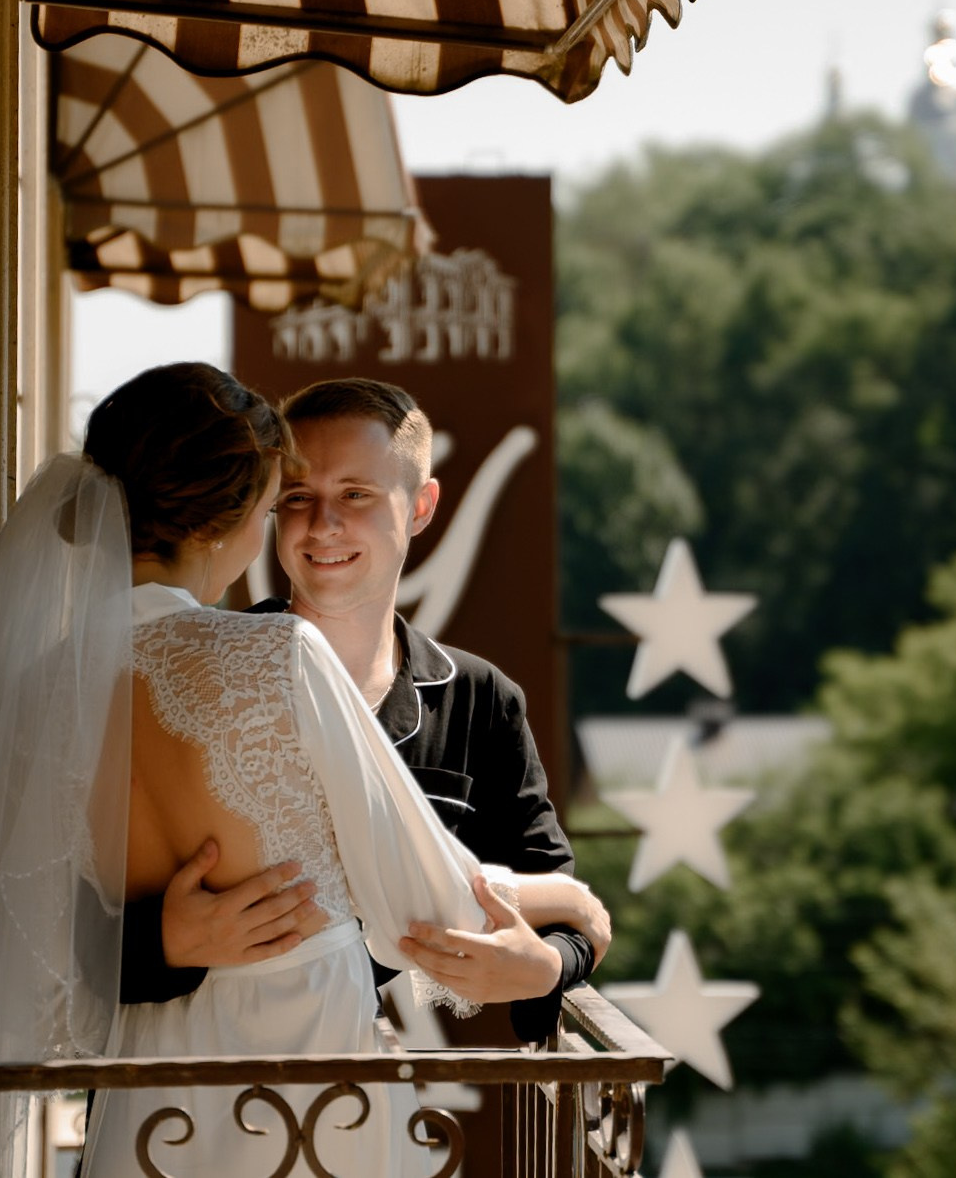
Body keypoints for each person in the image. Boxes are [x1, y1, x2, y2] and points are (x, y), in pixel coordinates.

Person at [0, 364, 595, 1178]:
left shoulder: (44, 682)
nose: (309, 524)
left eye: (353, 496)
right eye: (285, 499)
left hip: (145, 1105)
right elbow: (430, 899)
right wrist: (573, 901)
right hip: (307, 1099)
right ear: (235, 519)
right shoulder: (274, 654)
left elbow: (18, 920)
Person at [116, 377, 609, 1043]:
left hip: (443, 1108)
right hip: (203, 1085)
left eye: (355, 494)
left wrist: (551, 964)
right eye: (296, 497)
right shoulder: (198, 674)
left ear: (420, 505)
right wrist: (159, 945)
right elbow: (67, 912)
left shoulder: (481, 697)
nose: (323, 524)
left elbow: (549, 891)